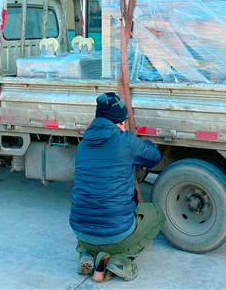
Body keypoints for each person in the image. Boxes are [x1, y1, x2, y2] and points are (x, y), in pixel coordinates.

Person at [69, 92, 165, 282]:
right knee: (156, 214)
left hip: (79, 230)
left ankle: (86, 253)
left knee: (88, 211)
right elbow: (153, 157)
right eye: (123, 122)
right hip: (116, 233)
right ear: (119, 122)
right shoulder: (126, 141)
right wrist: (145, 143)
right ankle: (121, 260)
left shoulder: (83, 145)